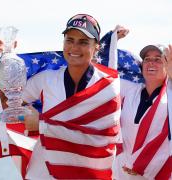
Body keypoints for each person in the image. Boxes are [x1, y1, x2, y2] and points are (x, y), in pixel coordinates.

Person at [22, 14, 121, 179]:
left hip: (86, 173)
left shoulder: (108, 86)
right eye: (69, 40)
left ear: (96, 46)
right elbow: (10, 104)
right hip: (43, 172)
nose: (74, 47)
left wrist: (42, 124)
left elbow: (99, 137)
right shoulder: (46, 78)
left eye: (83, 42)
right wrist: (2, 57)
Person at [111, 42, 172, 180]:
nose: (151, 63)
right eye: (147, 59)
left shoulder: (169, 97)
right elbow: (107, 75)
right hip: (120, 173)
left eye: (158, 59)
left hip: (155, 175)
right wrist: (113, 38)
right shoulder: (130, 90)